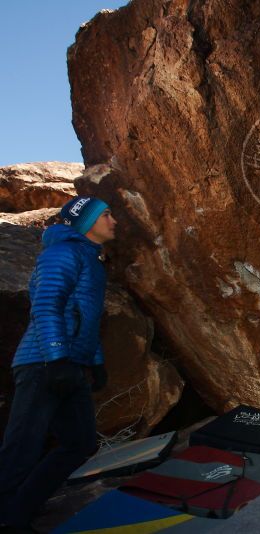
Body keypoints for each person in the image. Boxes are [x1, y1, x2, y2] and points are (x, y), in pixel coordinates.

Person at [0, 196, 116, 531]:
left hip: (69, 364)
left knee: (80, 444)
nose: (114, 221)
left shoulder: (91, 259)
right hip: (42, 363)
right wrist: (58, 358)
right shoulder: (62, 252)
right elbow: (47, 305)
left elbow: (86, 319)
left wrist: (95, 362)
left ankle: (17, 513)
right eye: (107, 215)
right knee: (21, 450)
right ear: (86, 222)